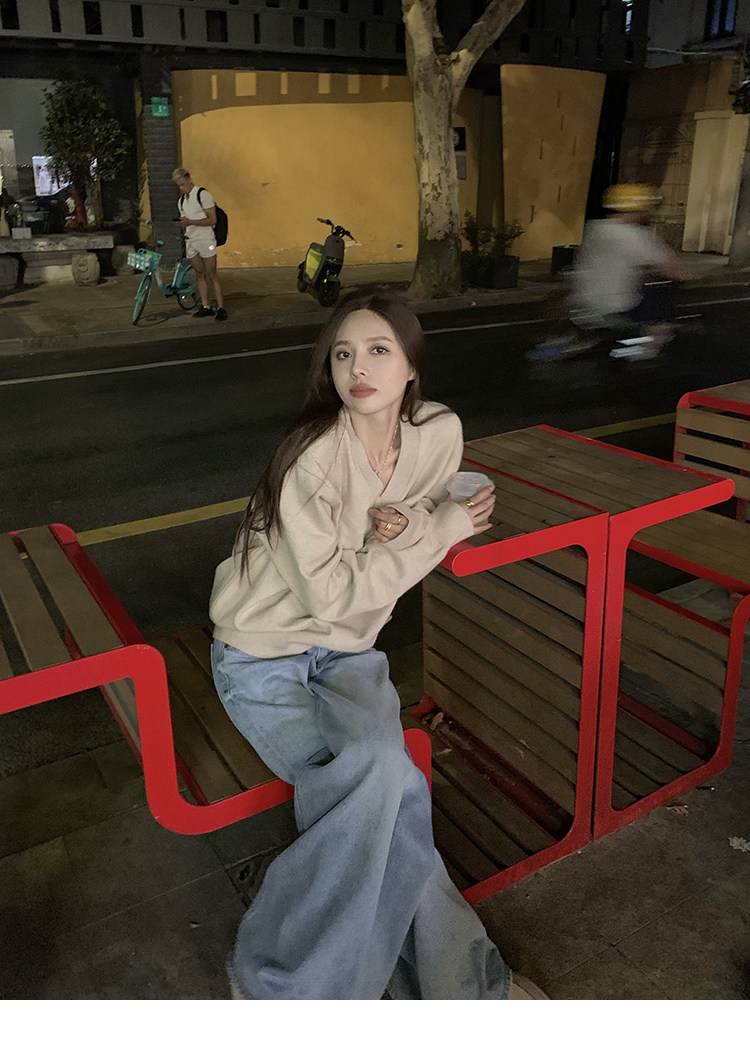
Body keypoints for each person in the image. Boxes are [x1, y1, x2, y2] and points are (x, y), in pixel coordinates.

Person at [209, 287, 546, 1001]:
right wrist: (443, 529)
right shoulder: (312, 458)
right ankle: (458, 988)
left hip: (348, 652)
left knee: (381, 783)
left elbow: (430, 497)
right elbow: (331, 597)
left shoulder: (439, 434)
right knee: (380, 785)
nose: (358, 368)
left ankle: (310, 986)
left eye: (378, 350)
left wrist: (422, 519)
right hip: (261, 656)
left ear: (411, 366)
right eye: (343, 354)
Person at [570, 183, 692, 358]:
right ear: (639, 210)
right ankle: (643, 353)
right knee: (660, 308)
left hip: (583, 301)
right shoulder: (636, 236)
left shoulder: (594, 228)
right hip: (617, 305)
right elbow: (670, 269)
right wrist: (689, 277)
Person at [172, 166, 227, 321]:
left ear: (189, 179)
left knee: (212, 274)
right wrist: (183, 224)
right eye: (179, 185)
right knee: (199, 274)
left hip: (206, 239)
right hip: (191, 240)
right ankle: (205, 306)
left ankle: (221, 307)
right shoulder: (182, 201)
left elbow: (212, 219)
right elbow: (187, 221)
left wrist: (191, 222)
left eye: (182, 184)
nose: (181, 188)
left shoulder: (203, 195)